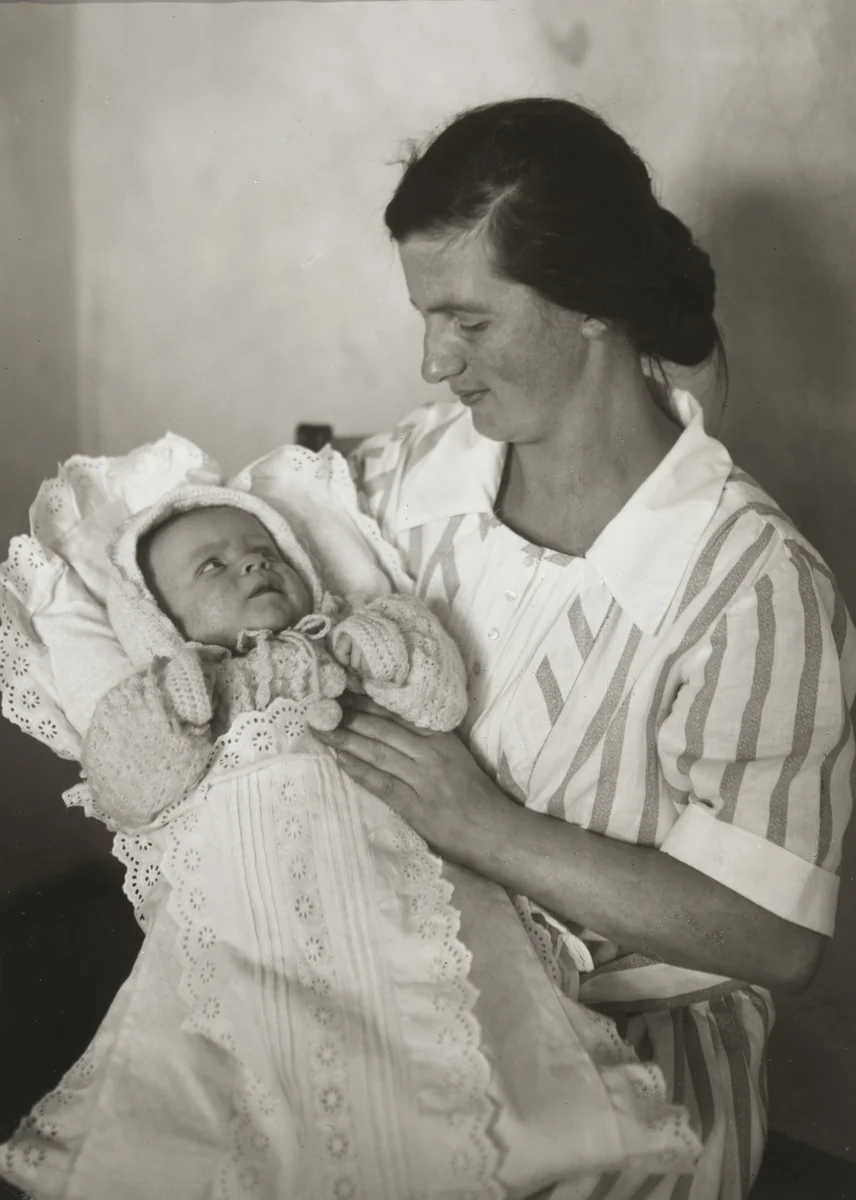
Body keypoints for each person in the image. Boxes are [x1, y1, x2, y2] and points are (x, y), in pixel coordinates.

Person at [314, 97, 856, 1200]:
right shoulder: (422, 473)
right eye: (426, 317)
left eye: (469, 323)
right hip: (403, 1003)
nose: (433, 363)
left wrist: (482, 827)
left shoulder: (749, 585)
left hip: (625, 1073)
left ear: (594, 308)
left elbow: (774, 936)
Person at [0, 476, 701, 1200]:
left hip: (390, 878)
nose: (251, 564)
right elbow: (124, 786)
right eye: (212, 566)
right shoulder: (179, 689)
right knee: (233, 1079)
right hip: (250, 920)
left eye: (265, 549)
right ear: (159, 617)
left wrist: (387, 651)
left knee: (450, 1016)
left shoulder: (351, 636)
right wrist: (175, 704)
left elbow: (439, 697)